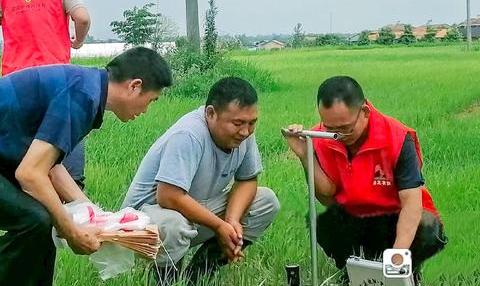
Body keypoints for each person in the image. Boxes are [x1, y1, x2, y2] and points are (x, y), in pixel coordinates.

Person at [0, 46, 172, 286]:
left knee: (46, 218)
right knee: (34, 220)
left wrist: (94, 213)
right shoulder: (83, 95)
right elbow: (30, 174)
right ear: (134, 86)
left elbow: (49, 166)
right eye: (151, 100)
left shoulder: (86, 87)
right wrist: (72, 231)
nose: (146, 110)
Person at [283, 76, 447, 285]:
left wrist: (396, 261)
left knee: (427, 226)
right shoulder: (321, 136)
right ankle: (353, 272)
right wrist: (306, 155)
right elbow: (326, 196)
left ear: (365, 113)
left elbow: (411, 204)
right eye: (330, 128)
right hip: (358, 216)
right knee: (324, 223)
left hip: (397, 218)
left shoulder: (396, 138)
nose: (338, 136)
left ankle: (407, 272)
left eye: (345, 128)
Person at [122, 77, 280, 285]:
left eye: (252, 123)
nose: (245, 131)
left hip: (191, 209)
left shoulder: (243, 134)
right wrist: (219, 226)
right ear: (211, 113)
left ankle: (199, 274)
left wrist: (231, 221)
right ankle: (165, 280)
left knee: (266, 201)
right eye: (238, 123)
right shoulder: (188, 135)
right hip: (142, 220)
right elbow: (168, 196)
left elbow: (247, 180)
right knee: (174, 224)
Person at [0, 0, 91, 186]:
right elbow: (82, 17)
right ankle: (73, 202)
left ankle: (27, 209)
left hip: (14, 84)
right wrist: (77, 42)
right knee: (65, 133)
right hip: (55, 80)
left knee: (24, 157)